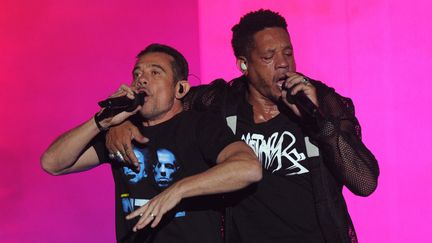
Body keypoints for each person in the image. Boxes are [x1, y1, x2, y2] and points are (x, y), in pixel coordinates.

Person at [106, 9, 380, 243]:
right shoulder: (221, 103)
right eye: (268, 56)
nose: (283, 63)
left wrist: (319, 120)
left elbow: (365, 183)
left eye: (288, 52)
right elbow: (163, 102)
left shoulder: (320, 100)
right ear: (243, 64)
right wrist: (125, 122)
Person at [40, 43, 262, 243]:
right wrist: (101, 122)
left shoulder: (199, 126)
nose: (141, 79)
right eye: (137, 74)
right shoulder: (121, 132)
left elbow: (248, 168)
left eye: (155, 72)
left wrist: (177, 190)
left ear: (180, 89)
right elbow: (52, 163)